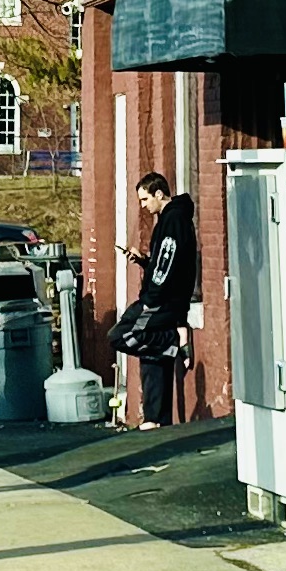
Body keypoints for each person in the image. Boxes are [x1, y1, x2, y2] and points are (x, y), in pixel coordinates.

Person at [112, 171, 198, 427]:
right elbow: (163, 263)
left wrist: (151, 297)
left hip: (162, 301)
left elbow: (167, 265)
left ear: (159, 194)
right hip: (165, 298)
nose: (143, 206)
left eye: (144, 199)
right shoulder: (170, 219)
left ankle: (173, 338)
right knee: (152, 354)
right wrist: (144, 261)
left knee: (122, 334)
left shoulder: (173, 221)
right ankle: (156, 418)